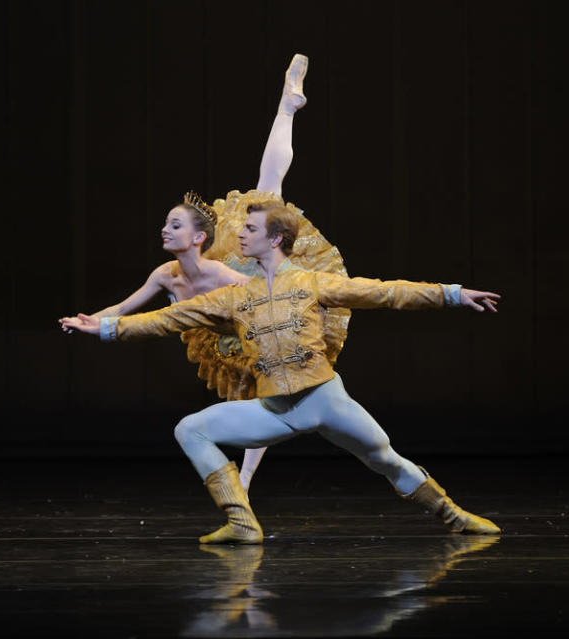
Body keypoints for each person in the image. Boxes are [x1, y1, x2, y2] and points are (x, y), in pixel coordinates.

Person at [60, 202, 503, 543]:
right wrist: (105, 326)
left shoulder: (310, 283)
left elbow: (385, 293)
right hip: (276, 408)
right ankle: (241, 522)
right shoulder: (236, 296)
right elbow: (166, 319)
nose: (240, 234)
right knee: (190, 429)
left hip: (326, 401)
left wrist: (452, 293)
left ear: (275, 240)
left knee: (383, 458)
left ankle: (454, 516)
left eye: (250, 229)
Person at [59, 54, 351, 493]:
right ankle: (245, 476)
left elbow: (262, 299)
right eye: (166, 224)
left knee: (269, 191)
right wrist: (92, 322)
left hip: (254, 303)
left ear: (197, 238)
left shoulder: (229, 272)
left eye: (174, 225)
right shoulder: (165, 274)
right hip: (221, 329)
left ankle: (286, 107)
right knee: (251, 392)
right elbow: (125, 307)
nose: (164, 229)